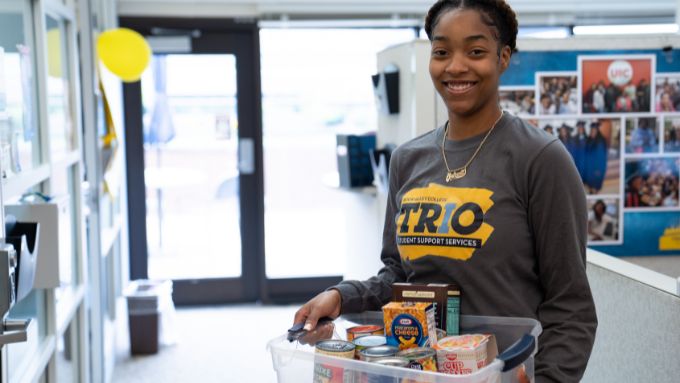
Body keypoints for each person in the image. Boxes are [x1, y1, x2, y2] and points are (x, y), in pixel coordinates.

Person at [294, 1, 597, 382]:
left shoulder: (539, 158)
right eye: (441, 52)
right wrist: (341, 296)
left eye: (475, 51)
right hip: (421, 371)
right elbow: (397, 278)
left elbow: (572, 307)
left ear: (503, 57)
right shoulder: (408, 159)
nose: (455, 66)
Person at [585, 122, 608, 194]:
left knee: (595, 189)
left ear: (597, 131)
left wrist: (599, 171)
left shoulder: (600, 142)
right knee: (591, 189)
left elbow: (602, 159)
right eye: (591, 130)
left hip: (596, 170)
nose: (592, 132)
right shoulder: (590, 140)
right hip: (590, 170)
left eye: (594, 130)